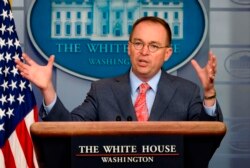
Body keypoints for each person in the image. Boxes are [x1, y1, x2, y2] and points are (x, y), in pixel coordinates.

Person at [16, 16, 223, 167]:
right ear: (128, 47)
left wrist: (209, 94)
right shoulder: (102, 90)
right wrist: (48, 89)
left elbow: (204, 144)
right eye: (138, 43)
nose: (144, 52)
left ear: (167, 53)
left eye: (153, 46)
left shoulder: (187, 92)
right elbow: (67, 130)